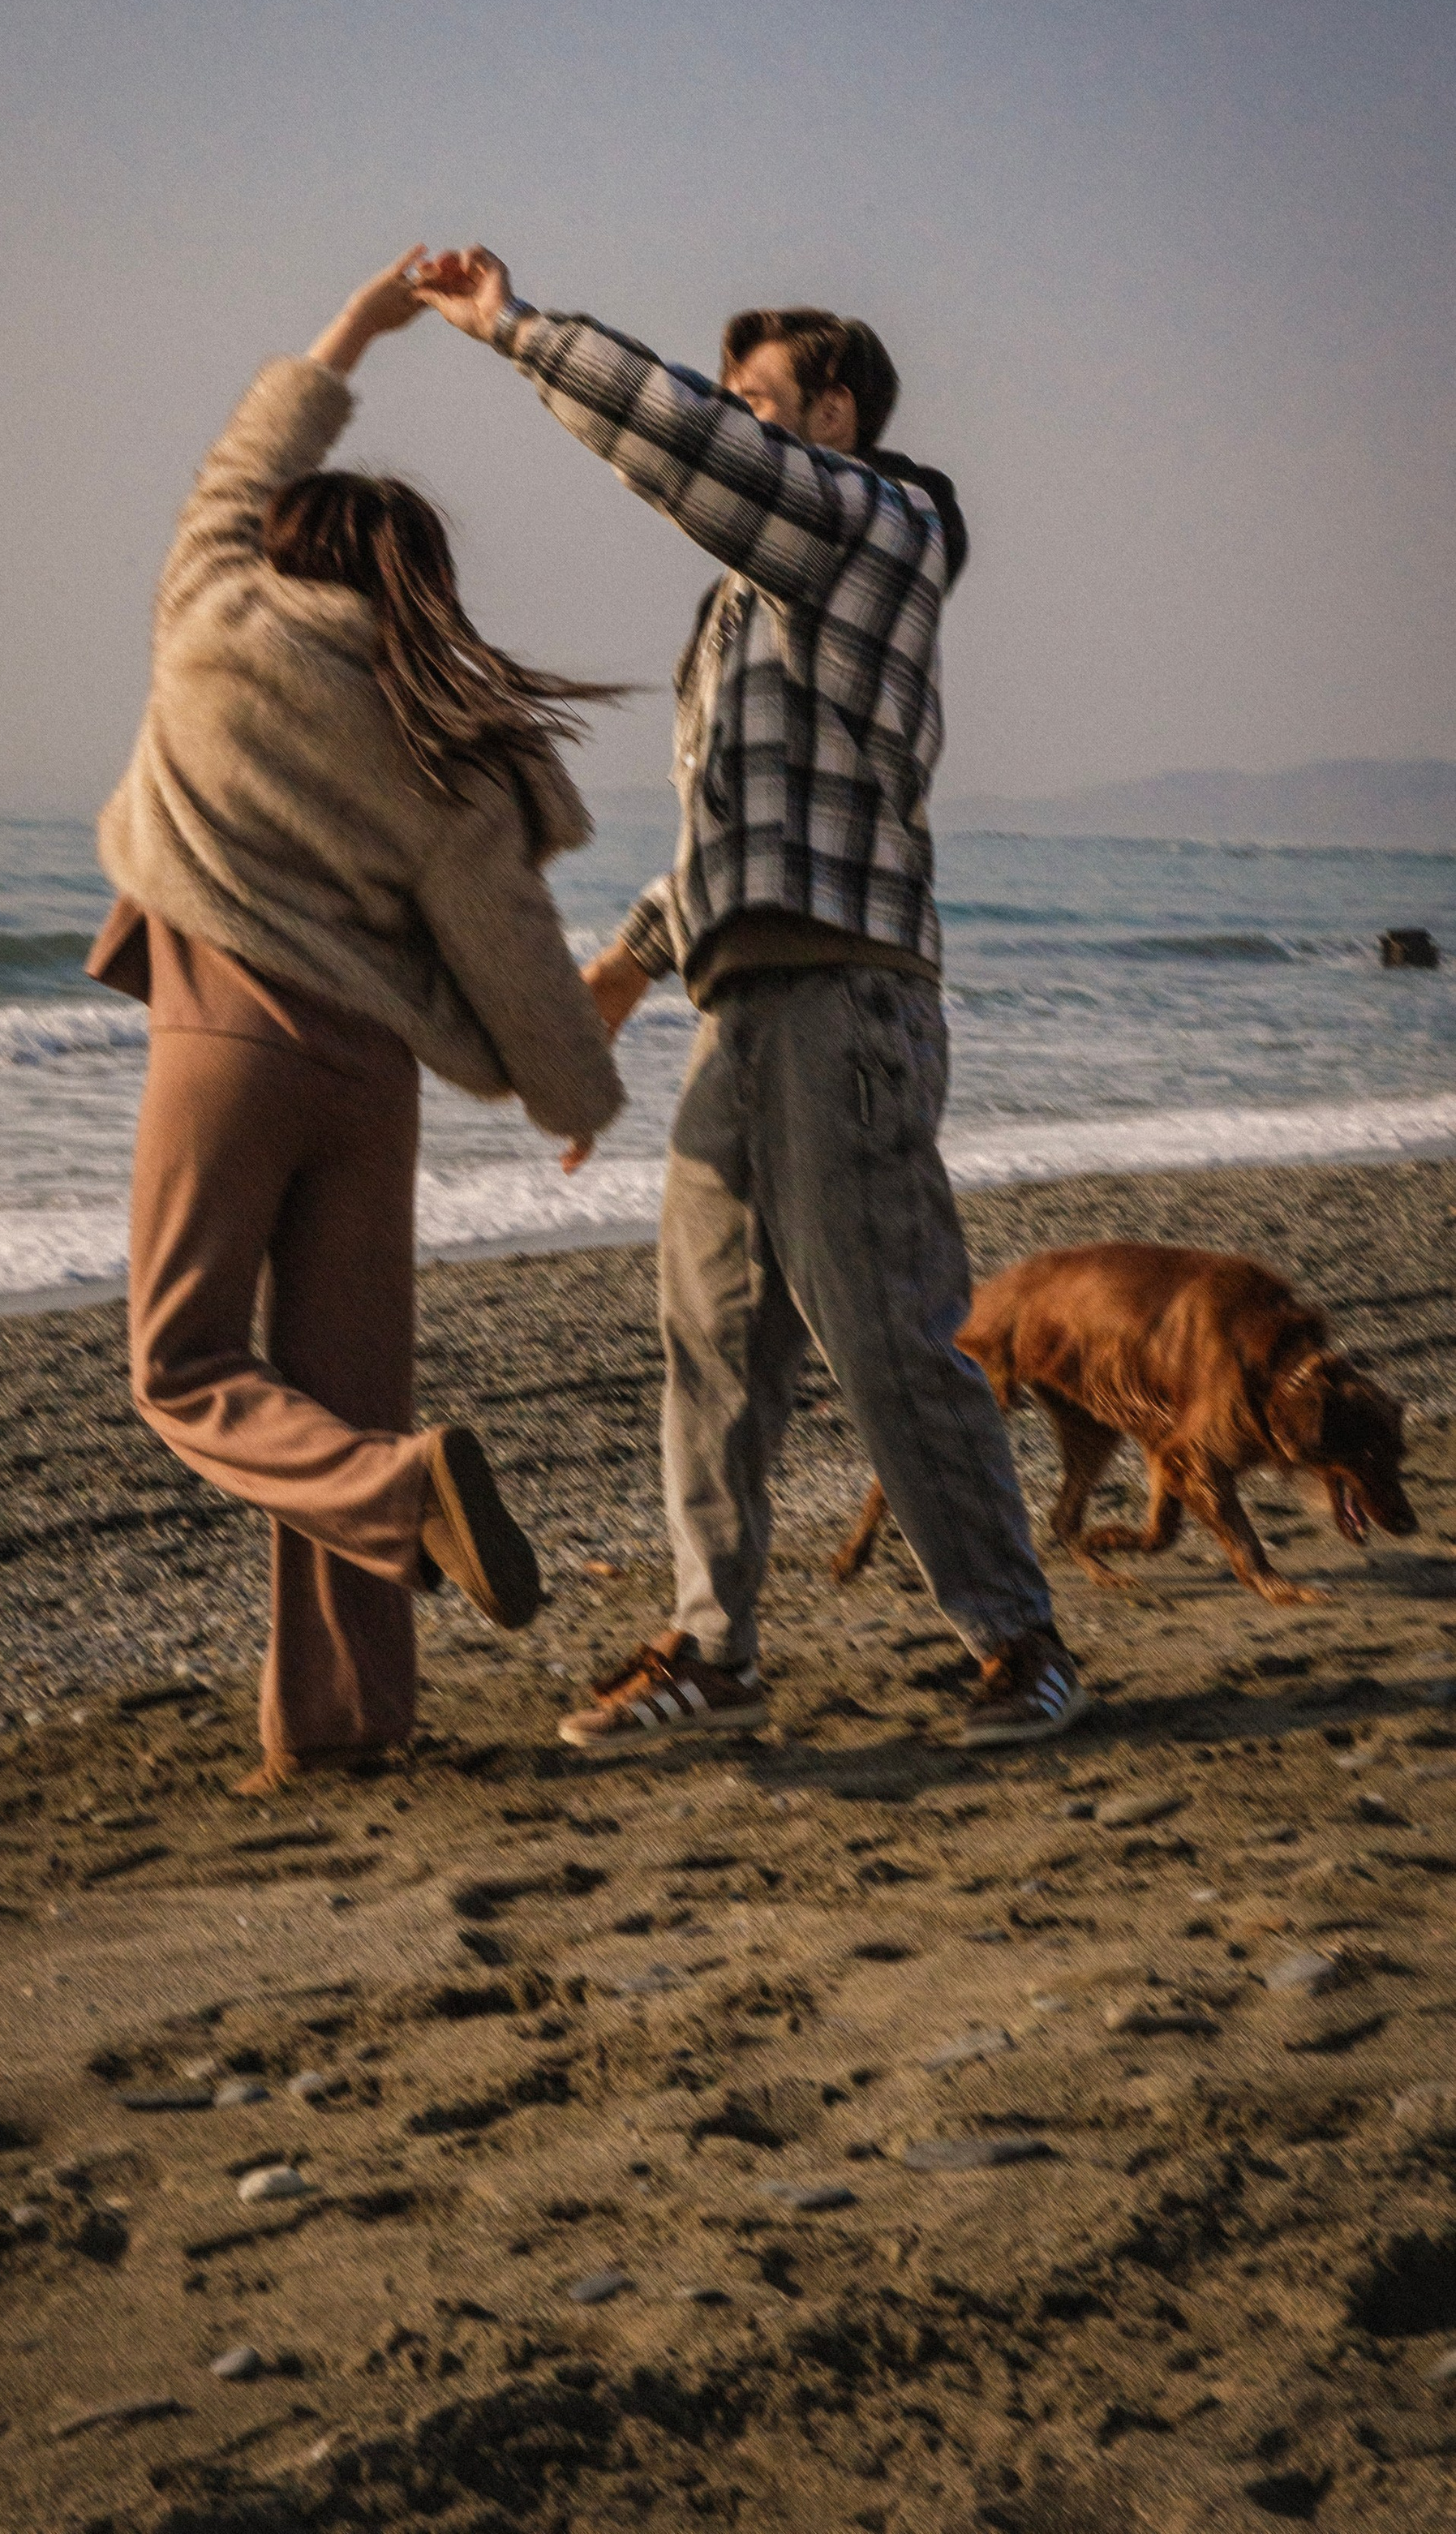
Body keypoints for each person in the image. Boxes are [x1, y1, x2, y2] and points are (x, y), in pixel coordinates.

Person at [411, 247, 1089, 1754]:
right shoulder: (739, 614)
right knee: (711, 1339)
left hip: (850, 1004)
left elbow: (686, 447)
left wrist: (517, 331)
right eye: (733, 399)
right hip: (746, 1006)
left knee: (889, 1332)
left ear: (834, 413)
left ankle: (1020, 1638)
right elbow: (731, 846)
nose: (734, 418)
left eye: (761, 398)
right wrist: (620, 974)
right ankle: (715, 1653)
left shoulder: (884, 529)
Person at [92, 250, 626, 1794]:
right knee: (342, 1387)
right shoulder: (438, 731)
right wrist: (573, 1096)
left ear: (281, 547)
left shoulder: (209, 613)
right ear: (415, 586)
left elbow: (240, 459)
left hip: (225, 1050)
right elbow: (511, 942)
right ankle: (343, 1730)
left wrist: (358, 327)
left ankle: (401, 1495)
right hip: (368, 1079)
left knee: (185, 1370)